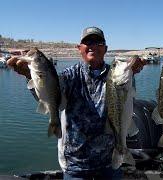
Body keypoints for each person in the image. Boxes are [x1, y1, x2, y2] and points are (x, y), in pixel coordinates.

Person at [7, 26, 146, 179]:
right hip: (75, 165)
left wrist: (132, 70)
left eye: (98, 42)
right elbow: (52, 97)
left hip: (110, 161)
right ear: (79, 48)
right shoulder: (69, 75)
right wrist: (30, 76)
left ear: (105, 49)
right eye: (88, 42)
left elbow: (126, 100)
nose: (93, 45)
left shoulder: (115, 75)